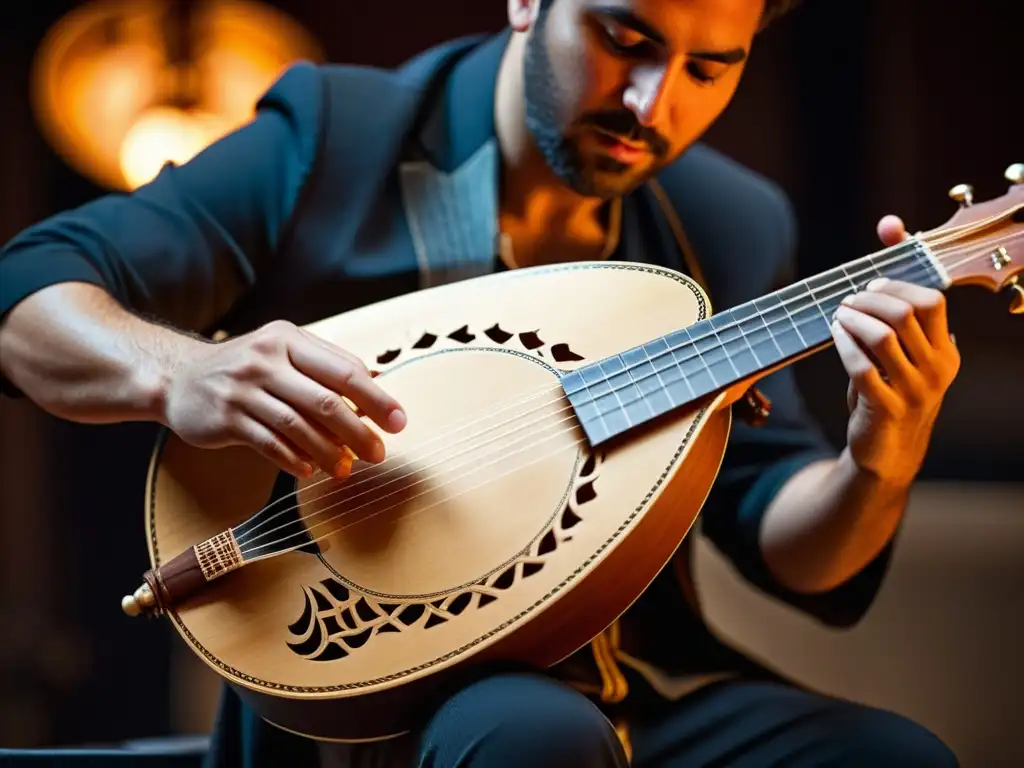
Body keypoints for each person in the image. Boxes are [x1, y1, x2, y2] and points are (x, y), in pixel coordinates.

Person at [0, 0, 962, 765]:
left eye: (712, 67)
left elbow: (789, 550)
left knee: (892, 754)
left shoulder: (728, 219)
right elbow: (25, 295)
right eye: (624, 39)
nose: (651, 103)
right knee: (530, 733)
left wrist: (884, 448)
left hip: (628, 680)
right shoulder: (337, 136)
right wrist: (185, 370)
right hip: (370, 691)